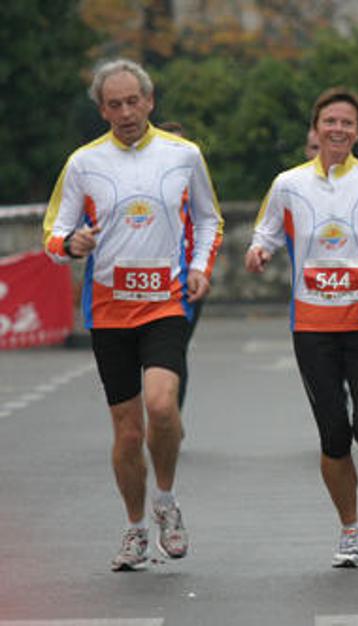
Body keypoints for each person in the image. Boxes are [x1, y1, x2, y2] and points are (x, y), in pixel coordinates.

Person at [42, 58, 224, 571]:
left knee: (162, 406)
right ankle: (136, 527)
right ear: (102, 110)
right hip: (109, 310)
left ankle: (166, 501)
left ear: (150, 101)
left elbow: (209, 220)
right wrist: (72, 244)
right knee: (127, 432)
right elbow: (53, 233)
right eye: (114, 104)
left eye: (132, 102)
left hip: (166, 302)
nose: (125, 112)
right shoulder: (83, 163)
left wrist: (199, 268)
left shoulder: (184, 155)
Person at [245, 87, 358, 568]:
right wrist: (259, 251)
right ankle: (350, 528)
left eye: (347, 123)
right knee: (333, 435)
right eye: (330, 122)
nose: (338, 129)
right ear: (316, 128)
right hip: (312, 325)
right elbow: (266, 232)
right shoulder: (289, 184)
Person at [156, 121, 201, 416]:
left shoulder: (196, 188)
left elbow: (210, 227)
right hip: (142, 282)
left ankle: (170, 415)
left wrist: (199, 270)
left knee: (173, 349)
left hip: (183, 283)